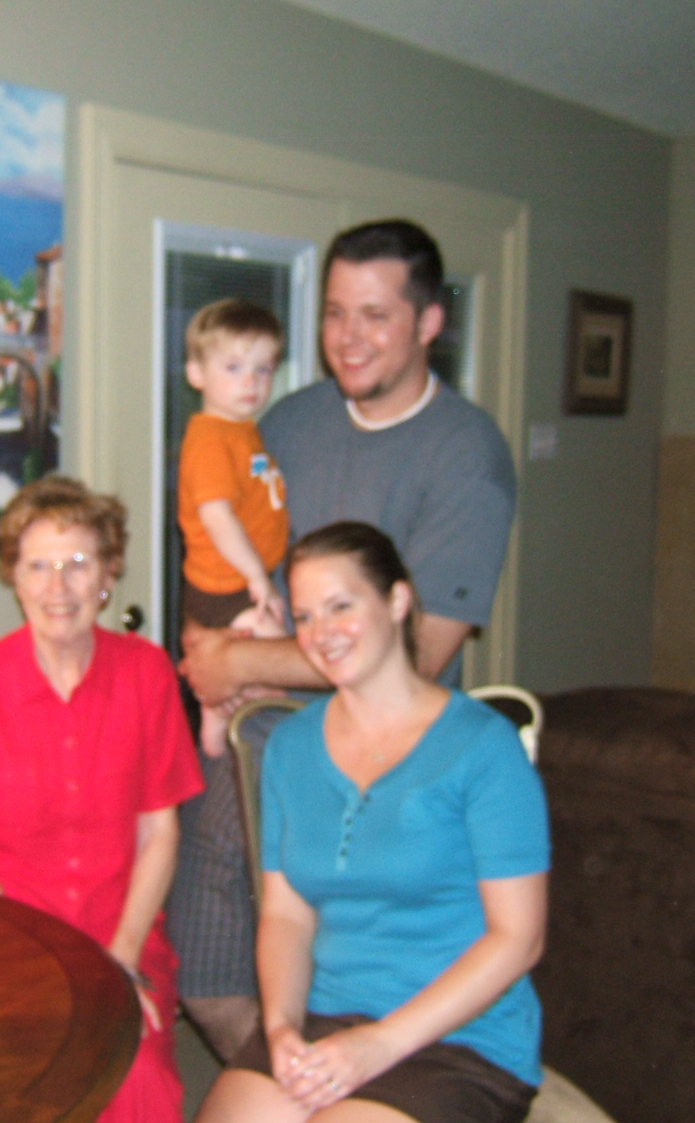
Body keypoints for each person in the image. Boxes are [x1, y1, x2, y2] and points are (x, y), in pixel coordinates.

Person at [169, 219, 519, 1059]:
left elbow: (418, 653)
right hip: (255, 743)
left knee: (343, 1003)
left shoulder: (465, 456)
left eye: (374, 315)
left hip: (381, 774)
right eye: (333, 313)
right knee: (206, 974)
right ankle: (292, 1095)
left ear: (428, 323)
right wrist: (209, 639)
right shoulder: (288, 423)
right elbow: (220, 552)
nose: (347, 338)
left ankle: (331, 1108)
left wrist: (236, 660)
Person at [164, 522, 549, 1123]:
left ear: (397, 601)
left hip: (455, 1042)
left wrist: (379, 1045)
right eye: (305, 615)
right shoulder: (290, 747)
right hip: (321, 1021)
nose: (321, 633)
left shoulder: (483, 749)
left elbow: (518, 940)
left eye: (341, 606)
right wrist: (280, 1027)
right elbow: (286, 915)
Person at [0, 475, 203, 1123]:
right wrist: (50, 969)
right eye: (38, 565)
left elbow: (160, 835)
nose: (57, 585)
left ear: (109, 574)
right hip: (10, 942)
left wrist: (120, 958)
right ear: (13, 577)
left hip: (121, 935)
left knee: (134, 1080)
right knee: (35, 1083)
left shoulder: (146, 673)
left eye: (78, 563)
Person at [176, 298, 290, 758]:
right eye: (234, 367)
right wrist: (257, 577)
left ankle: (219, 709)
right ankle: (216, 712)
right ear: (196, 374)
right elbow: (217, 517)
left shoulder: (240, 430)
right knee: (283, 660)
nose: (251, 382)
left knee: (270, 665)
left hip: (238, 580)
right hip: (227, 585)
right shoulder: (210, 439)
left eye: (263, 370)